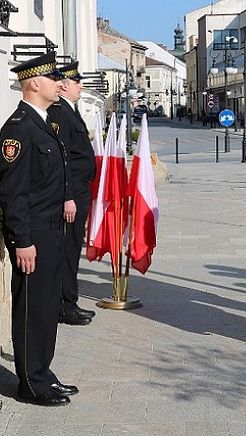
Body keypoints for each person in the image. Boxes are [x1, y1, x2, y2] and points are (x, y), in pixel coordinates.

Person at [0, 51, 77, 406]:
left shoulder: (43, 122)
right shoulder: (18, 129)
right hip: (33, 237)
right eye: (52, 78)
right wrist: (22, 241)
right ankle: (31, 384)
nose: (59, 83)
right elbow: (12, 192)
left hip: (51, 231)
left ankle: (43, 373)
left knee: (46, 307)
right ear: (33, 83)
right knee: (32, 309)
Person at [47, 61, 96, 326]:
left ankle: (69, 301)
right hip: (72, 193)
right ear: (65, 85)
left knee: (73, 247)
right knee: (68, 249)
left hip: (79, 190)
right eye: (77, 82)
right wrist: (67, 196)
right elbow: (63, 158)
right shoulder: (59, 113)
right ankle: (66, 306)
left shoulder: (69, 110)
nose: (81, 86)